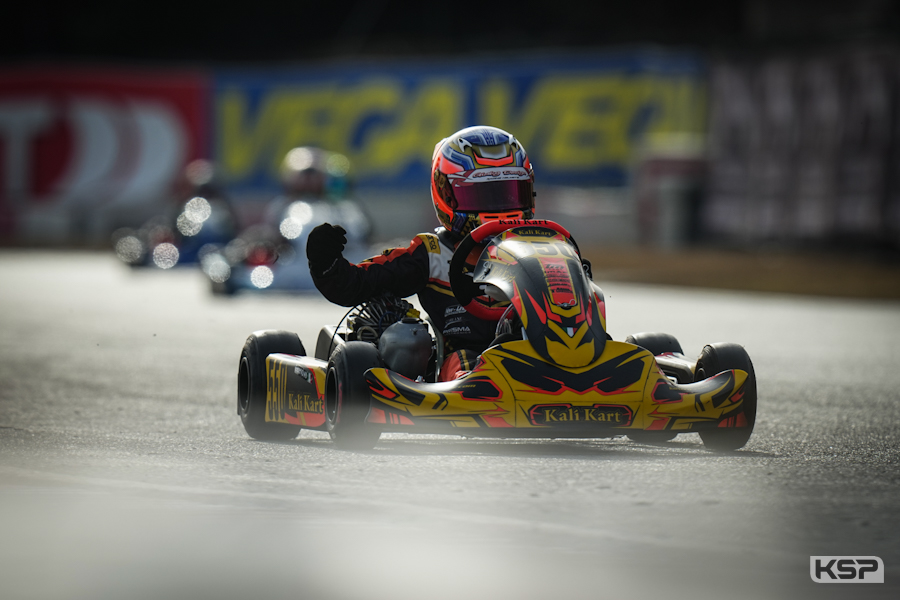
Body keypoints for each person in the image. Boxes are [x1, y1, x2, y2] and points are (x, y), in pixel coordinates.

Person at [306, 125, 536, 381]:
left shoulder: (542, 248)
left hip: (539, 356)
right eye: (482, 195)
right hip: (466, 371)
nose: (499, 208)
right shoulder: (433, 254)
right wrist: (326, 263)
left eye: (508, 194)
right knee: (414, 342)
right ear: (446, 193)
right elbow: (356, 284)